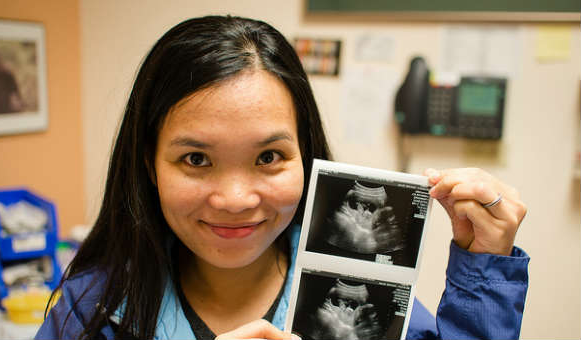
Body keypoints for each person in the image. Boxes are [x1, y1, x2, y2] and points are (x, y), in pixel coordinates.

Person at [36, 15, 529, 340]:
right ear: (149, 164)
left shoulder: (371, 293)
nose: (234, 199)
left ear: (307, 157)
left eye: (269, 157)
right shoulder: (88, 311)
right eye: (196, 160)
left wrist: (484, 277)